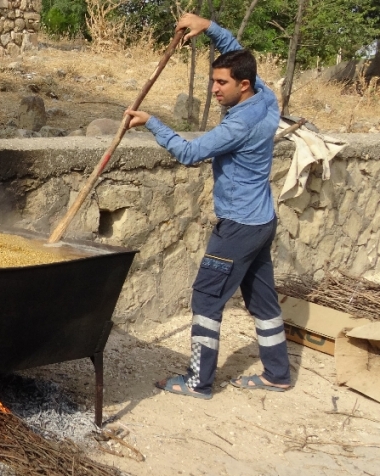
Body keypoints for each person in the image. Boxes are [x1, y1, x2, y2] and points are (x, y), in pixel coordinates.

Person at [125, 13, 290, 399]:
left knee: (206, 297)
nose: (214, 89)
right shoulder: (264, 97)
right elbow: (234, 52)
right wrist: (209, 26)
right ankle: (278, 374)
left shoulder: (240, 126)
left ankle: (198, 382)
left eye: (221, 83)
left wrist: (152, 123)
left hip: (237, 228)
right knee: (263, 300)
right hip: (261, 222)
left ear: (242, 85)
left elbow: (188, 152)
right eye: (213, 81)